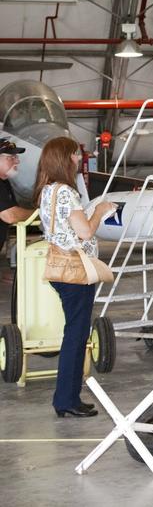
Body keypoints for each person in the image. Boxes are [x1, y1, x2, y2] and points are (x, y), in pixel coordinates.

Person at [34, 137, 116, 418]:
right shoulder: (67, 193)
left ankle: (69, 397)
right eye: (74, 155)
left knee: (76, 333)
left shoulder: (47, 190)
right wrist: (101, 212)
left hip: (62, 268)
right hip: (75, 271)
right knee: (76, 335)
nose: (78, 159)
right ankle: (66, 399)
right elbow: (85, 233)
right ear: (63, 159)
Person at [0, 139, 35, 267]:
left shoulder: (4, 182)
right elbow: (11, 215)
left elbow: (15, 210)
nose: (17, 161)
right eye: (11, 157)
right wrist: (39, 213)